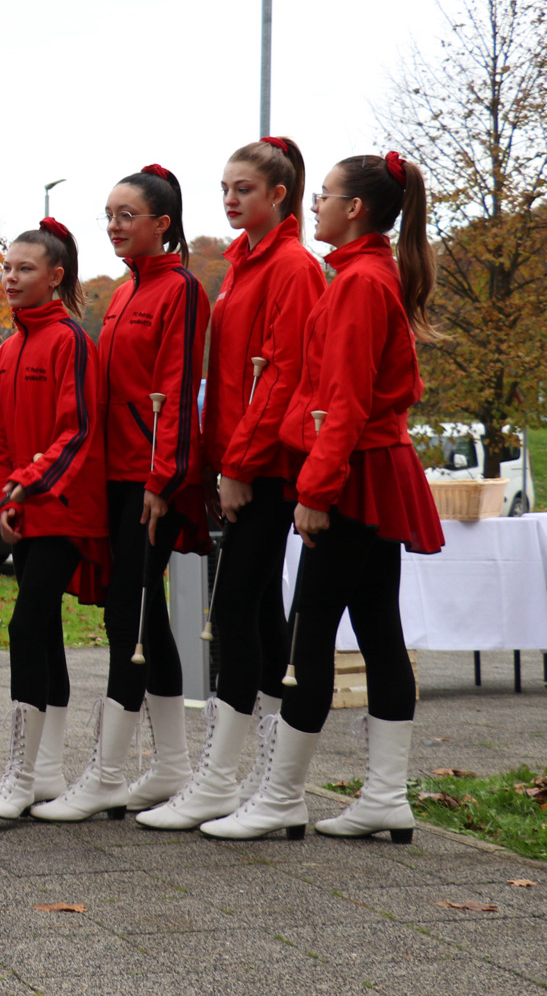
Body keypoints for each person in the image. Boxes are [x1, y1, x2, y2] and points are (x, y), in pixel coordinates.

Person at [203, 152, 445, 842]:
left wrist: (314, 489)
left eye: (326, 197)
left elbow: (342, 400)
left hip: (352, 475)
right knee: (377, 632)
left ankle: (283, 796)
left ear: (356, 210)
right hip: (369, 469)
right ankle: (384, 795)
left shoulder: (360, 283)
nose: (317, 206)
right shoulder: (364, 276)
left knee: (310, 638)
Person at [140, 139, 324, 831]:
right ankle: (277, 788)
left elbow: (280, 372)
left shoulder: (293, 267)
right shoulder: (244, 264)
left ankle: (223, 780)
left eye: (243, 188)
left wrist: (240, 465)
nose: (228, 198)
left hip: (265, 467)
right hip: (241, 462)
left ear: (279, 194)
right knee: (258, 618)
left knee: (237, 610)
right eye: (224, 187)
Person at [34, 167, 208, 822]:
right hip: (115, 476)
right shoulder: (125, 290)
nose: (113, 224)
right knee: (146, 618)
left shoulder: (182, 290)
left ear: (161, 224)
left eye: (127, 214)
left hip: (150, 479)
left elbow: (176, 385)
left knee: (125, 619)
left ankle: (108, 773)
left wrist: (163, 480)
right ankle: (170, 766)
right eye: (108, 213)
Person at [0, 219, 109, 820]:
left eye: (24, 269)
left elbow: (77, 428)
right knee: (43, 632)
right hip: (26, 512)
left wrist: (29, 486)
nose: (11, 277)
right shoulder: (6, 349)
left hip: (66, 511)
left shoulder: (70, 340)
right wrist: (6, 498)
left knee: (27, 627)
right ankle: (47, 771)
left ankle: (23, 772)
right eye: (7, 268)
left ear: (55, 277)